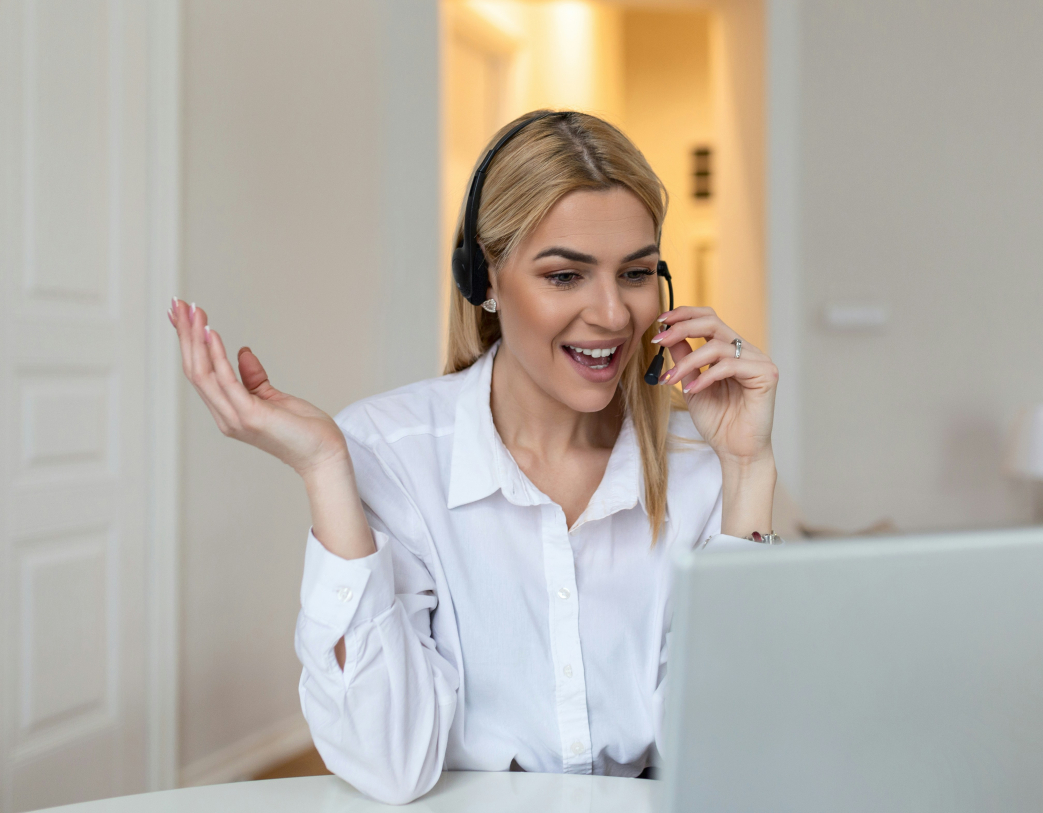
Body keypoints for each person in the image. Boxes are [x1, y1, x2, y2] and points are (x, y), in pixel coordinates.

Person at [168, 110, 779, 804]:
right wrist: (326, 470)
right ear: (482, 278)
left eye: (635, 272)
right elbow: (388, 763)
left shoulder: (701, 468)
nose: (613, 314)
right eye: (565, 276)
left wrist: (748, 471)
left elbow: (731, 746)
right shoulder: (390, 452)